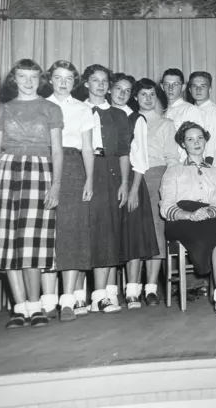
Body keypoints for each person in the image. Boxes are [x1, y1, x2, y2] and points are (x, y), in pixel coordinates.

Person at [0, 59, 64, 328]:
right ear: (15, 79)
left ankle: (35, 307)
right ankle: (19, 308)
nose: (29, 81)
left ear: (40, 79)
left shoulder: (51, 109)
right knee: (8, 241)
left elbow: (56, 151)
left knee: (33, 241)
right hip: (7, 171)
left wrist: (55, 185)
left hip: (39, 172)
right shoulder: (3, 110)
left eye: (34, 76)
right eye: (23, 76)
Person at [160, 121, 216, 315]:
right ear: (183, 144)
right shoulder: (173, 171)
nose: (196, 142)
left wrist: (208, 212)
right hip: (180, 219)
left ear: (206, 140)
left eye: (200, 137)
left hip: (208, 215)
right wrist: (189, 215)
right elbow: (166, 206)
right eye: (190, 139)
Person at [42, 60, 94, 322]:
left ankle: (68, 300)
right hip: (44, 166)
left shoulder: (83, 109)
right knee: (49, 232)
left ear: (75, 82)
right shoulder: (41, 106)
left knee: (71, 232)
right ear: (50, 79)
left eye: (69, 79)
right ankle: (48, 300)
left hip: (74, 168)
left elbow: (87, 147)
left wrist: (89, 179)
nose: (63, 82)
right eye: (59, 77)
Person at [80, 64, 131, 313]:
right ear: (86, 83)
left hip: (110, 172)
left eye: (104, 81)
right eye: (95, 80)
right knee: (88, 231)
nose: (100, 85)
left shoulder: (119, 115)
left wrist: (124, 182)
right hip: (84, 171)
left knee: (109, 230)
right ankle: (88, 294)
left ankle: (105, 293)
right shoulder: (79, 110)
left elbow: (123, 153)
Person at [126, 78, 180, 308]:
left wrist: (172, 186)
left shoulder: (166, 124)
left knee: (157, 233)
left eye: (151, 95)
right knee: (134, 233)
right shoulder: (126, 120)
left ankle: (151, 289)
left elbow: (172, 158)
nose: (148, 99)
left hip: (158, 178)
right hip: (132, 178)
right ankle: (131, 289)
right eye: (143, 95)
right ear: (135, 97)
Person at [107, 73, 159, 309]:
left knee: (133, 237)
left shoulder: (136, 118)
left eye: (127, 91)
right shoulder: (99, 114)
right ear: (110, 89)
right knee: (108, 237)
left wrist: (134, 189)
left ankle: (133, 291)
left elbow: (140, 158)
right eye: (119, 88)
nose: (122, 94)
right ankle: (107, 292)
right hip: (105, 182)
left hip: (132, 183)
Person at [188, 71, 216, 171]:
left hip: (211, 166)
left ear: (210, 89)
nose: (198, 89)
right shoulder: (186, 112)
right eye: (194, 86)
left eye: (203, 86)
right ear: (189, 90)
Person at [161, 68, 204, 162]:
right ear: (162, 87)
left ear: (183, 87)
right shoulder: (165, 113)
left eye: (175, 84)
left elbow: (199, 143)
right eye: (167, 84)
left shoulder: (190, 110)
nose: (170, 88)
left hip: (185, 165)